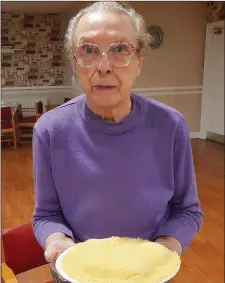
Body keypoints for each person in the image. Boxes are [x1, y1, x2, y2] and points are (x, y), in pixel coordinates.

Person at [32, 1, 203, 281]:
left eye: (120, 49)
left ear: (139, 62)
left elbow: (187, 210)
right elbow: (46, 215)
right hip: (78, 272)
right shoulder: (49, 130)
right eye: (88, 50)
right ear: (75, 63)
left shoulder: (171, 126)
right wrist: (55, 240)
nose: (104, 67)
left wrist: (167, 246)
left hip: (149, 273)